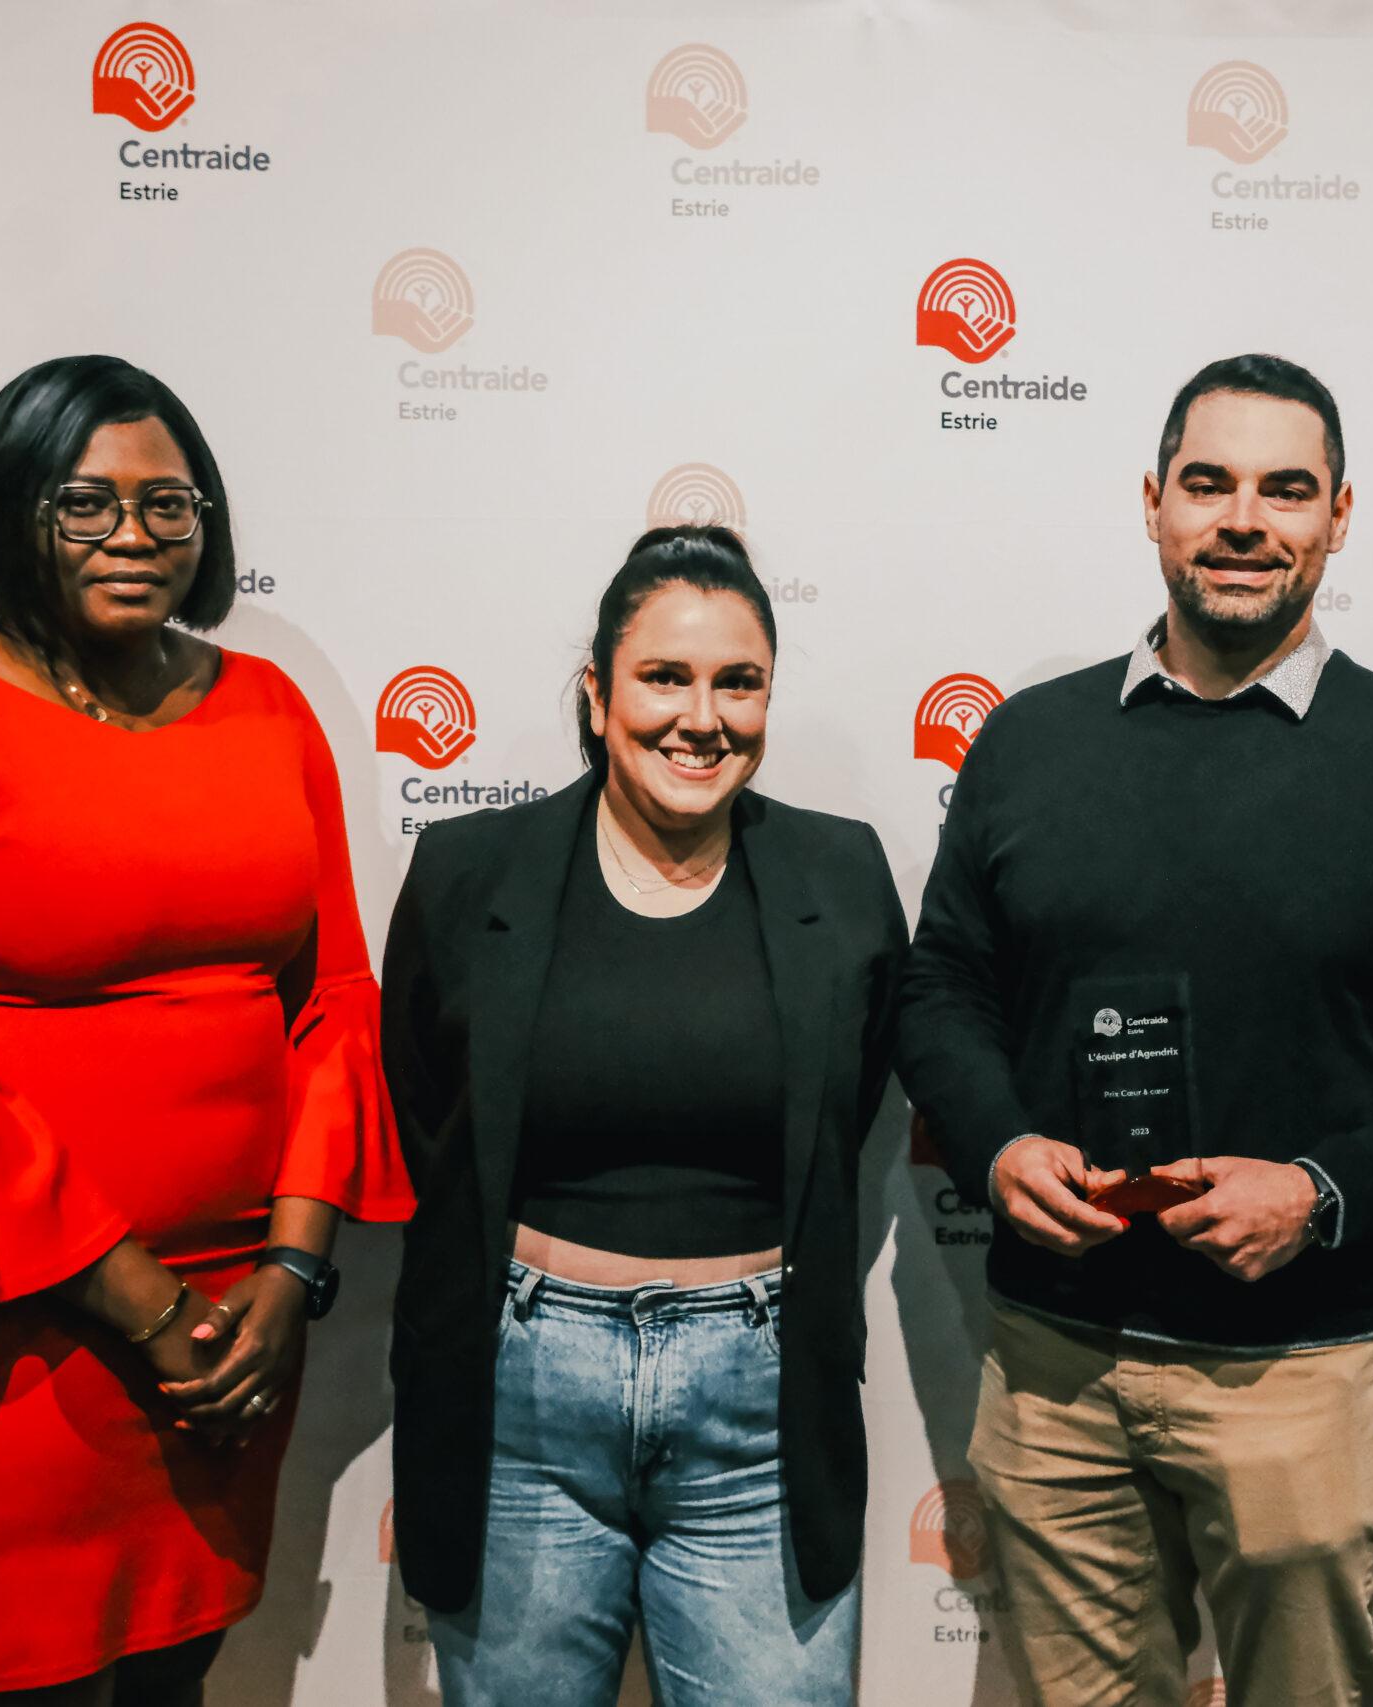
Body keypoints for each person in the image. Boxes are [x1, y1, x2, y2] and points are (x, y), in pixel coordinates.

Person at [0, 355, 414, 1703]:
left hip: (238, 1323)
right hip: (13, 1328)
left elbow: (336, 1006)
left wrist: (290, 1276)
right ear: (12, 511)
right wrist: (146, 1306)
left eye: (169, 505)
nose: (133, 535)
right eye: (86, 502)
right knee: (23, 1680)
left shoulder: (271, 709)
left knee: (177, 1674)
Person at [896, 354, 1373, 1706]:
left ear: (1338, 516)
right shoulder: (1026, 742)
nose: (1244, 519)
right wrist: (997, 1141)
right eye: (1209, 483)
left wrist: (1319, 1192)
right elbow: (942, 986)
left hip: (1295, 1372)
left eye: (1285, 489)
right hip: (1053, 1368)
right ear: (1153, 502)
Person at [380, 525, 906, 1707]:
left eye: (738, 682)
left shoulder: (842, 876)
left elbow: (854, 1096)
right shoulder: (469, 872)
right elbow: (429, 1108)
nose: (701, 718)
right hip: (518, 1403)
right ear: (597, 692)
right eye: (665, 677)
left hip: (761, 1410)